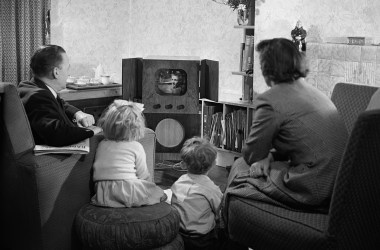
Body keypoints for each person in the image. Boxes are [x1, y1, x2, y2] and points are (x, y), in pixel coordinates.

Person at [223, 38, 348, 219]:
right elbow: (300, 140)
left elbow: (251, 155)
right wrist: (271, 156)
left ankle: (223, 229)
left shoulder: (270, 100)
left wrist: (263, 157)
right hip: (339, 186)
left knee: (240, 169)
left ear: (267, 68)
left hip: (313, 186)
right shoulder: (313, 91)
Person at [18, 45, 102, 147]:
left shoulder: (29, 87)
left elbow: (58, 103)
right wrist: (92, 131)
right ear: (56, 72)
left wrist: (78, 113)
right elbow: (57, 134)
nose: (69, 74)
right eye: (67, 69)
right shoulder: (39, 97)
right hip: (54, 156)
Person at [91, 99, 166, 207]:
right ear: (137, 129)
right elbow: (143, 174)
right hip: (128, 191)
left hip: (103, 193)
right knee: (159, 193)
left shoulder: (102, 144)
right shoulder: (136, 146)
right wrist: (150, 186)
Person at [170, 137, 223, 250]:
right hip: (202, 238)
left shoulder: (178, 183)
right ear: (213, 164)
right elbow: (220, 211)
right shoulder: (211, 189)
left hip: (178, 234)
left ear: (183, 164)